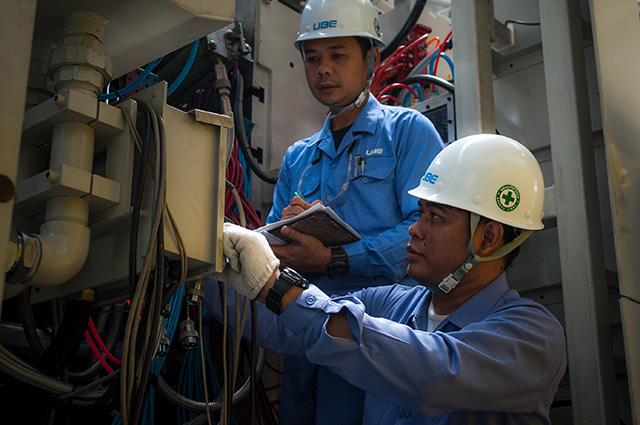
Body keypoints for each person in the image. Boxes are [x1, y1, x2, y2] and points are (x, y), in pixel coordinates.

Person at [205, 134, 567, 425]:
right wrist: (204, 261)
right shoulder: (391, 303)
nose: (415, 228)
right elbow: (289, 327)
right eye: (420, 213)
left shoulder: (533, 337)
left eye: (435, 217)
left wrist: (276, 285)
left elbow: (434, 371)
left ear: (488, 238)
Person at [264, 0, 444, 422]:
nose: (323, 69)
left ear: (373, 57)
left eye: (338, 55)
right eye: (312, 58)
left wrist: (331, 258)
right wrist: (282, 239)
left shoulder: (408, 133)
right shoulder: (298, 158)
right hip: (304, 333)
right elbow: (272, 251)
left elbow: (425, 231)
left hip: (378, 334)